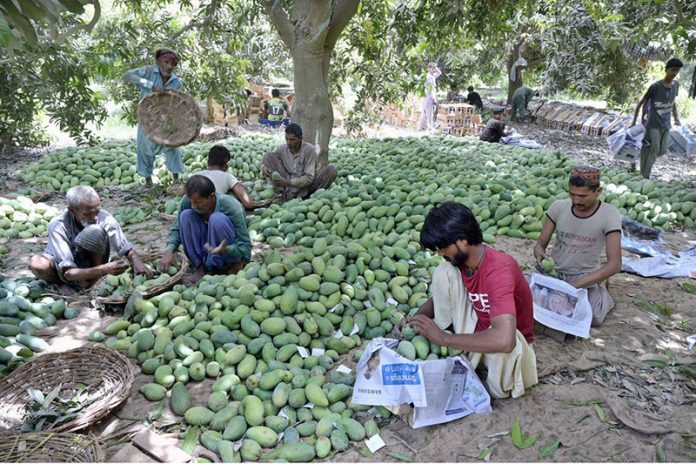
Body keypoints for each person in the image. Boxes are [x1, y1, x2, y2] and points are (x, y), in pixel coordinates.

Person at [404, 202, 538, 399]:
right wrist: (414, 321)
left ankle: (460, 348)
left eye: (442, 247)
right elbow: (440, 298)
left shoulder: (498, 271)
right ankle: (456, 345)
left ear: (463, 240)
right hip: (478, 330)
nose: (440, 253)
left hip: (510, 345)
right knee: (444, 272)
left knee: (500, 372)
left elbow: (505, 341)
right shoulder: (462, 263)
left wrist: (443, 338)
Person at [533, 167, 622, 327]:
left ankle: (602, 288)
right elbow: (540, 245)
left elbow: (614, 265)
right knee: (521, 297)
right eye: (572, 194)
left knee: (591, 317)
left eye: (582, 196)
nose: (576, 200)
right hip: (554, 273)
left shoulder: (609, 214)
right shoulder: (559, 207)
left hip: (583, 277)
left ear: (598, 191)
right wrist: (540, 255)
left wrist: (573, 286)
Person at [29, 186, 151, 291]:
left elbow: (125, 248)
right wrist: (105, 269)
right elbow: (68, 272)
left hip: (93, 264)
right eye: (87, 214)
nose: (94, 217)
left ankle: (94, 281)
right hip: (67, 269)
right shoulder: (57, 225)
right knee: (37, 264)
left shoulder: (104, 217)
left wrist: (137, 261)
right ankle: (61, 284)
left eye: (96, 211)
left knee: (95, 230)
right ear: (72, 210)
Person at [161, 175, 251, 282]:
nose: (194, 206)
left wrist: (235, 254)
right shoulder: (189, 201)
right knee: (185, 216)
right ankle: (200, 267)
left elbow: (245, 244)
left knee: (217, 220)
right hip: (206, 249)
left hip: (227, 251)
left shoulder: (232, 207)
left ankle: (232, 265)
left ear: (212, 197)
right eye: (192, 202)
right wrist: (169, 249)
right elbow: (177, 228)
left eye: (198, 202)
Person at [123, 48, 185, 187]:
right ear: (158, 61)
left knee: (172, 149)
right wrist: (150, 85)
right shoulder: (149, 71)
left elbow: (177, 104)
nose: (169, 66)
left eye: (172, 64)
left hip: (165, 121)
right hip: (147, 120)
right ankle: (148, 181)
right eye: (166, 62)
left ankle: (176, 180)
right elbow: (126, 75)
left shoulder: (176, 83)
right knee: (144, 148)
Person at [631, 57, 683, 179]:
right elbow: (641, 103)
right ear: (666, 70)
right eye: (673, 70)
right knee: (654, 149)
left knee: (662, 150)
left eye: (677, 71)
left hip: (666, 124)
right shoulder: (655, 87)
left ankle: (642, 162)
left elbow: (672, 102)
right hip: (653, 124)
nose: (674, 73)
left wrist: (676, 118)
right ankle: (645, 176)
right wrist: (634, 121)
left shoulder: (676, 86)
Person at [260, 123, 337, 203]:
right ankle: (283, 195)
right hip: (287, 185)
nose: (289, 143)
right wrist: (264, 168)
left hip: (306, 187)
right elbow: (266, 161)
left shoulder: (308, 150)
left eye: (293, 140)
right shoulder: (282, 149)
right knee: (268, 155)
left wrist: (288, 182)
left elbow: (309, 178)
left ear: (300, 138)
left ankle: (313, 197)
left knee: (332, 170)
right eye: (287, 139)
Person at [193, 145, 255, 210]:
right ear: (226, 166)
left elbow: (181, 194)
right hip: (214, 215)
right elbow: (249, 204)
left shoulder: (196, 176)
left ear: (208, 163)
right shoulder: (228, 177)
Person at [417, 63, 441, 130]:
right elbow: (430, 89)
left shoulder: (432, 76)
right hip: (429, 96)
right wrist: (433, 98)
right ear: (429, 68)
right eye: (432, 68)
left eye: (434, 68)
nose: (434, 70)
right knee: (429, 113)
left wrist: (436, 67)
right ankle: (429, 127)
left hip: (429, 96)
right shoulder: (428, 77)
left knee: (426, 112)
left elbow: (439, 73)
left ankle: (422, 127)